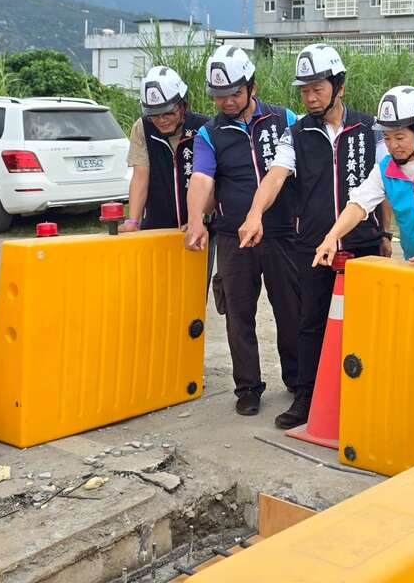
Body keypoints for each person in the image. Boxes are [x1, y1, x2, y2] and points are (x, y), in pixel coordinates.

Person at [237, 44, 389, 429]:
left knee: (368, 322)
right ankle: (307, 395)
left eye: (317, 87)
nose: (310, 96)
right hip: (313, 244)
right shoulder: (297, 133)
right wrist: (255, 212)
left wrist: (385, 232)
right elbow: (275, 175)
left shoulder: (370, 128)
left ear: (339, 85)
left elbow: (388, 180)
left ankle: (366, 395)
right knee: (311, 321)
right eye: (304, 90)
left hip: (364, 242)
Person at [183, 45, 299, 418]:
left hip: (282, 233)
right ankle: (248, 387)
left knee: (290, 311)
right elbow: (200, 178)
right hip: (234, 236)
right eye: (219, 96)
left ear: (253, 86)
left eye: (234, 93)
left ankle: (299, 382)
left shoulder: (285, 119)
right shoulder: (208, 133)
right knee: (238, 314)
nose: (227, 102)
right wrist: (196, 219)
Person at [313, 86, 414, 269]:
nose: (392, 146)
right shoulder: (385, 168)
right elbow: (359, 204)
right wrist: (332, 237)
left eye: (399, 137)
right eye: (387, 138)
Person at [121, 66, 209, 232]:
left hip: (198, 228)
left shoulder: (203, 128)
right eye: (154, 114)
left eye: (168, 113)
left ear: (183, 105)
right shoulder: (142, 128)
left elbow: (210, 180)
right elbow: (140, 176)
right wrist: (133, 221)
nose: (162, 120)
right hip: (156, 228)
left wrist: (200, 218)